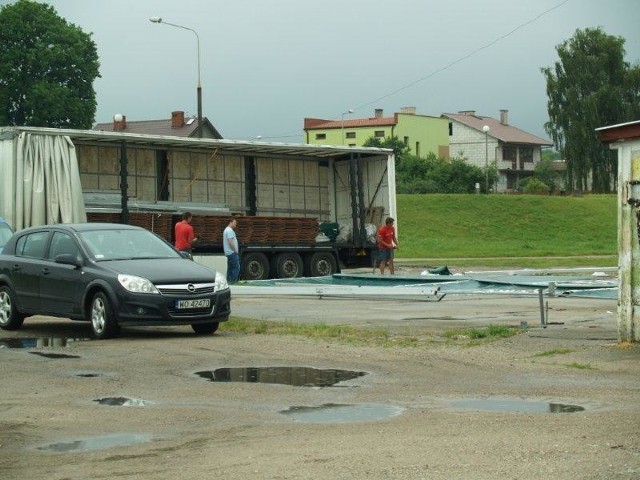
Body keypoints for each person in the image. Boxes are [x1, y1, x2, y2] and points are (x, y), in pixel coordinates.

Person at [223, 217, 240, 283]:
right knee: (236, 268)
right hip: (232, 253)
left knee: (230, 269)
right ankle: (232, 282)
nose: (236, 224)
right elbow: (230, 242)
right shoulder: (229, 230)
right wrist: (235, 250)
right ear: (230, 222)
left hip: (229, 253)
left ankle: (228, 282)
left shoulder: (226, 230)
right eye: (234, 222)